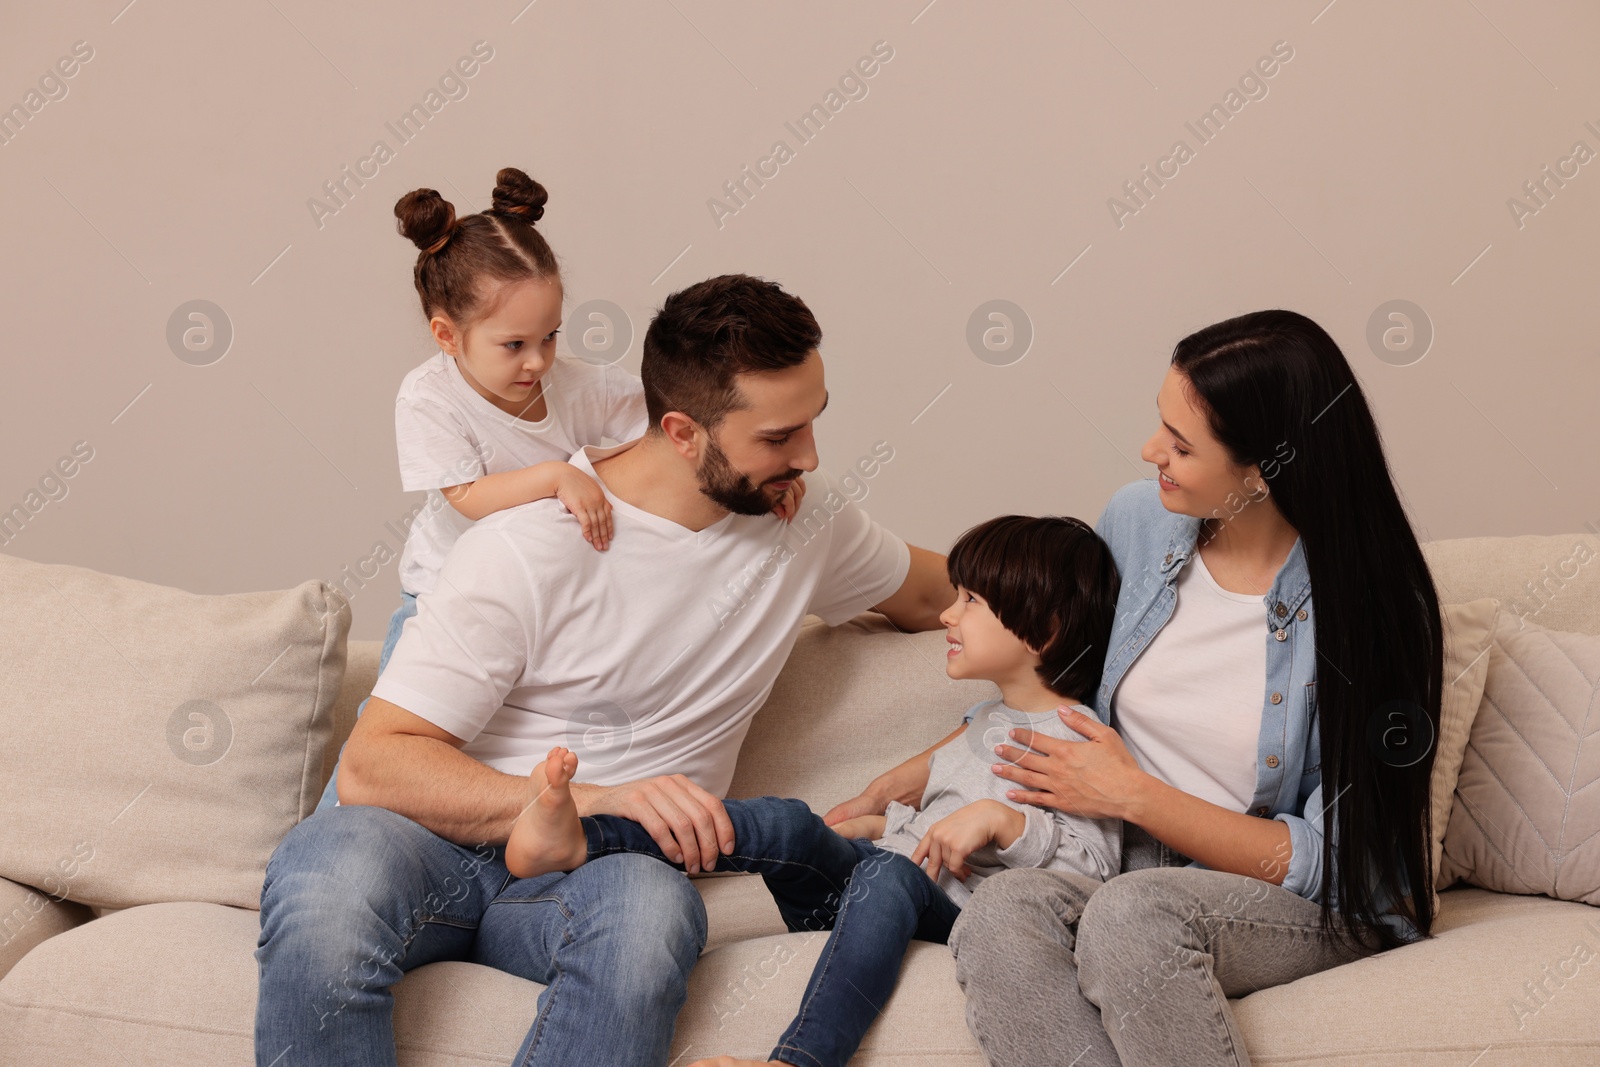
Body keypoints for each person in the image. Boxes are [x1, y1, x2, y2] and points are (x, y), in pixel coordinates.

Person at [254, 273, 956, 1067]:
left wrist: (1102, 571)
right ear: (683, 432)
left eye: (812, 424)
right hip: (432, 850)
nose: (810, 456)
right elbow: (376, 762)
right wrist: (591, 797)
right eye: (777, 437)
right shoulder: (525, 545)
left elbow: (954, 595)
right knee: (324, 875)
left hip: (601, 871)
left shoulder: (805, 520)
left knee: (651, 909)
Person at [890, 310, 1442, 1066]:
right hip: (1130, 863)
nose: (1152, 451)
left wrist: (1133, 796)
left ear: (1264, 469)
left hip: (1303, 902)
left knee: (1132, 915)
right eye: (1161, 425)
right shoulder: (1139, 522)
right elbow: (1042, 676)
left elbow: (1340, 863)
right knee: (1001, 911)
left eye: (1182, 446)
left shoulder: (1372, 610)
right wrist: (901, 778)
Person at [503, 514, 1124, 1067]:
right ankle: (583, 839)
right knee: (791, 824)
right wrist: (872, 829)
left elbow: (1093, 872)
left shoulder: (1080, 743)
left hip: (943, 910)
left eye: (971, 602)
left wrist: (1005, 823)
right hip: (877, 884)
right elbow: (934, 828)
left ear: (1042, 630)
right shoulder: (984, 721)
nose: (947, 615)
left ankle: (797, 1061)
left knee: (891, 877)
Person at [315, 168, 806, 811]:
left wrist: (761, 479)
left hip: (541, 604)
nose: (538, 362)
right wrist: (555, 476)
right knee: (388, 751)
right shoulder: (429, 397)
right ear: (447, 336)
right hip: (440, 592)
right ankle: (329, 825)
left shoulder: (579, 386)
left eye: (550, 337)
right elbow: (465, 495)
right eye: (513, 344)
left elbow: (677, 433)